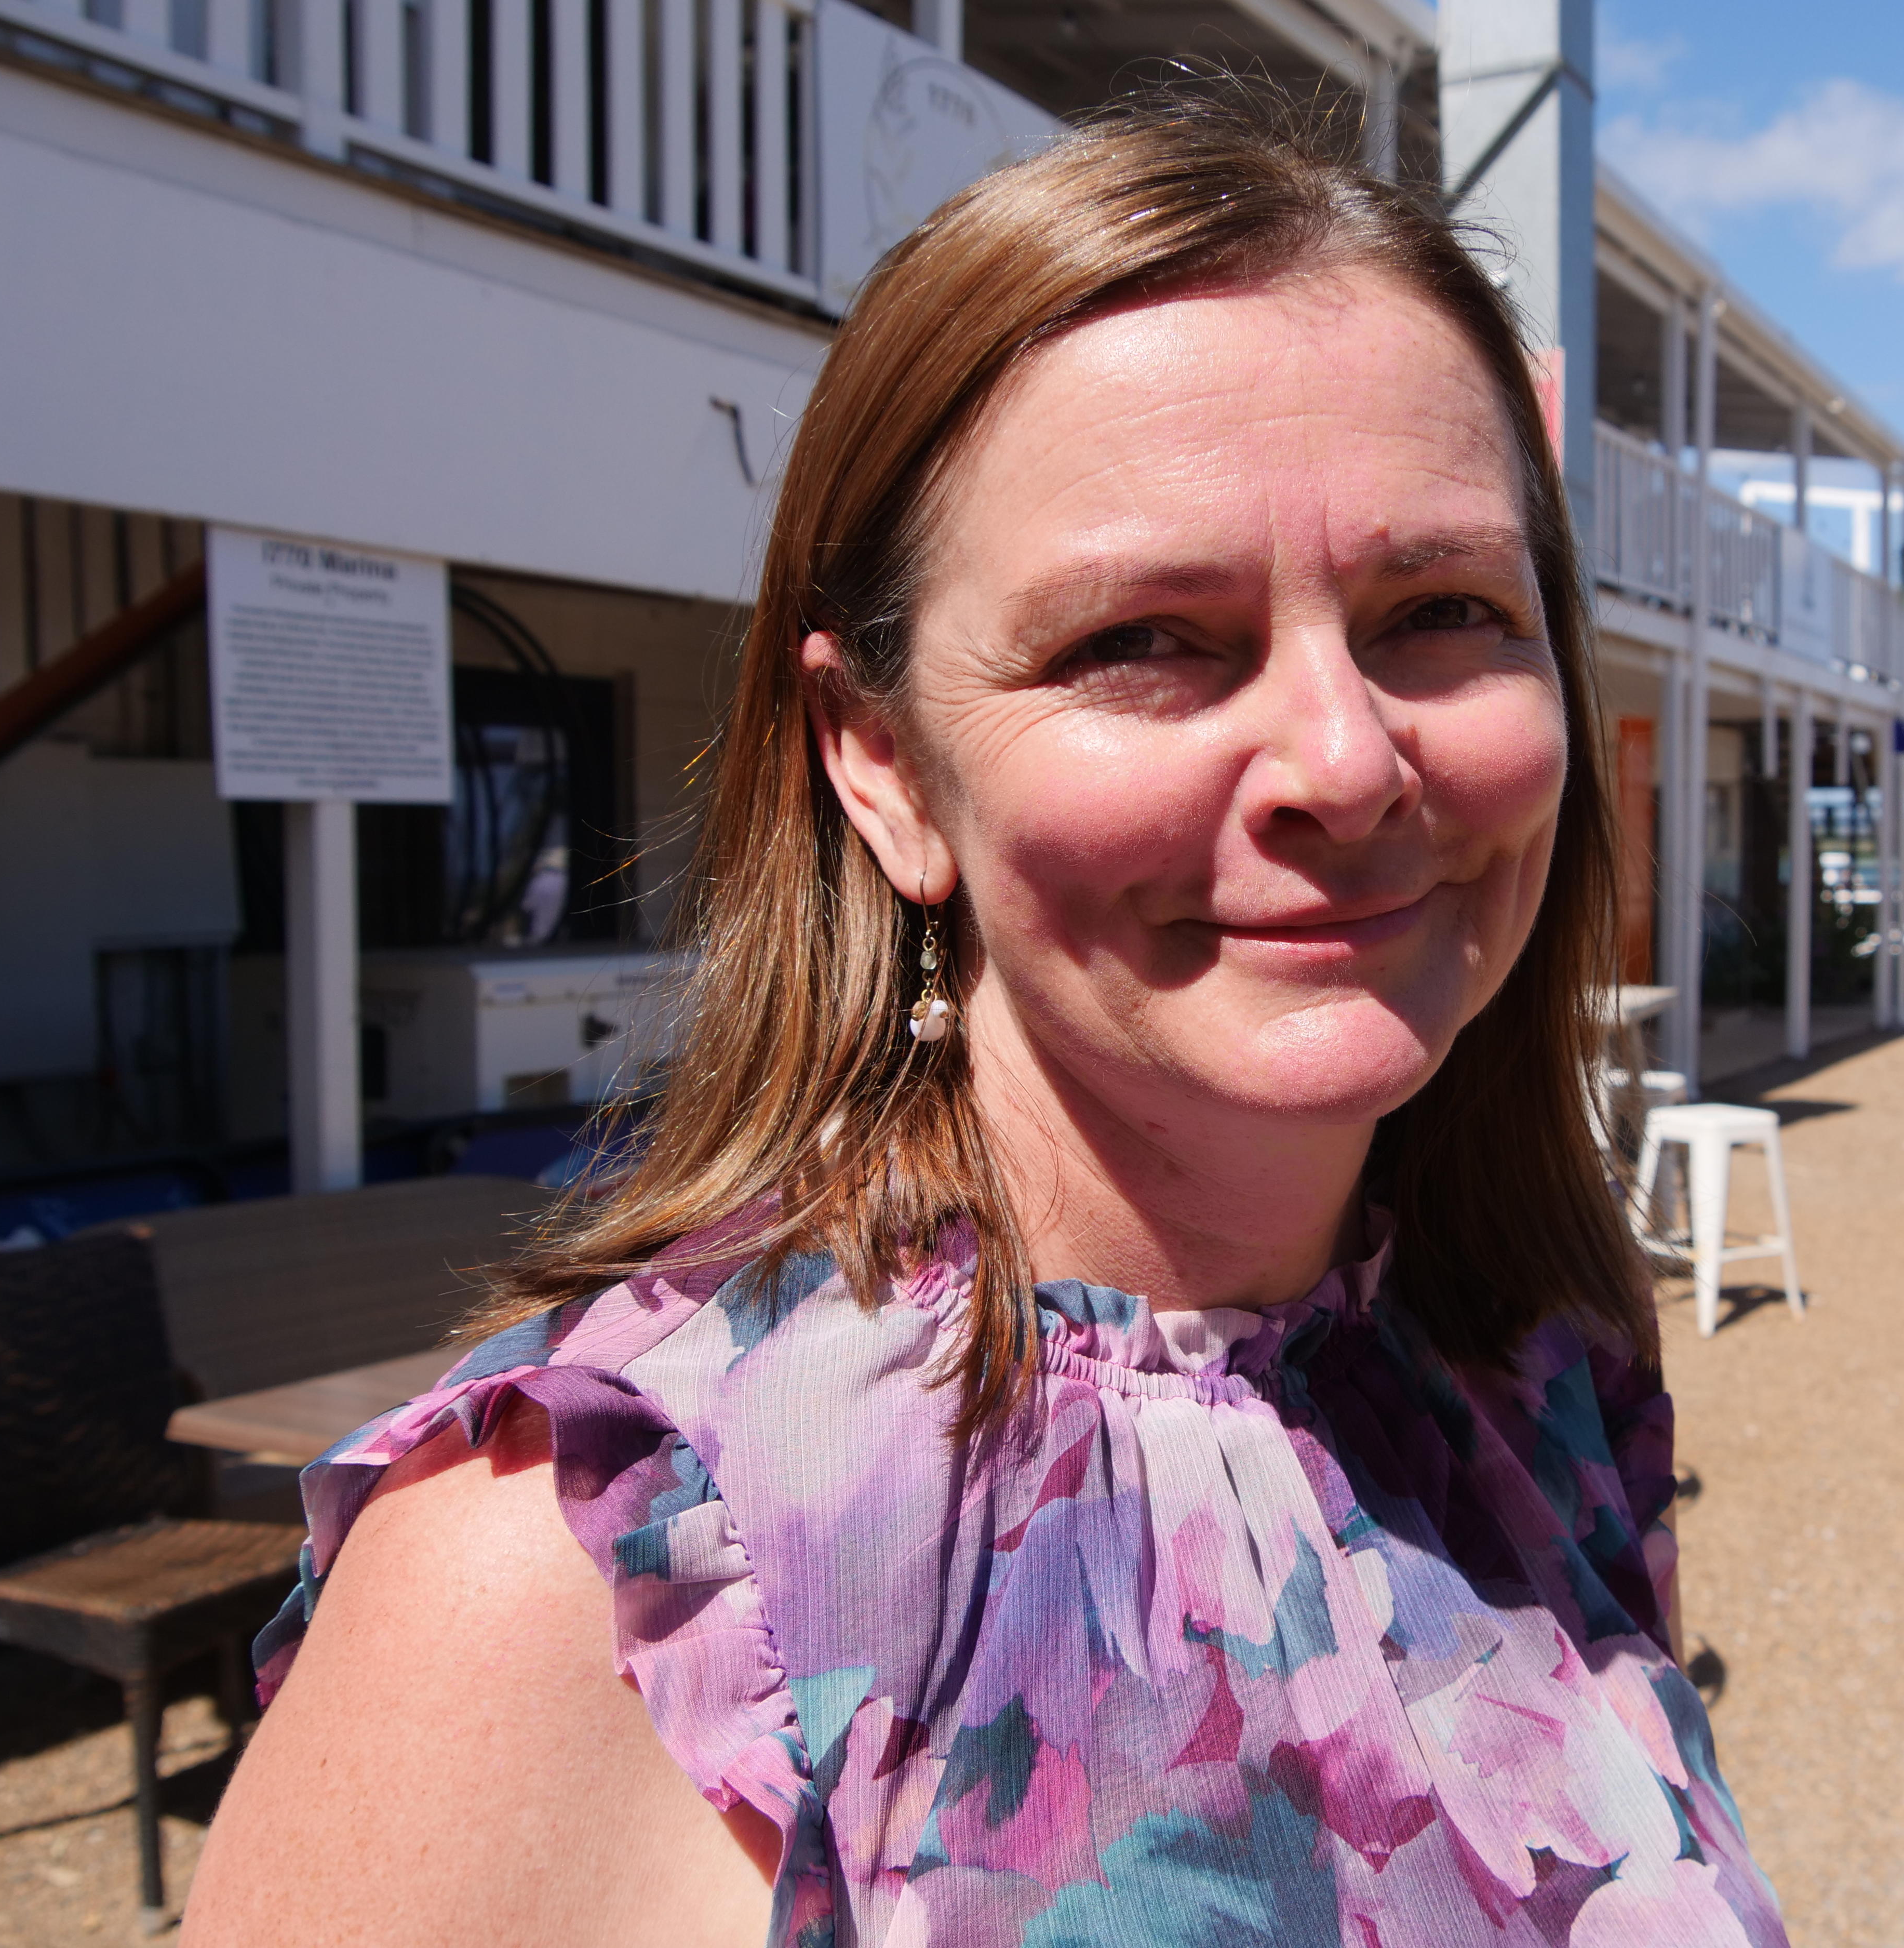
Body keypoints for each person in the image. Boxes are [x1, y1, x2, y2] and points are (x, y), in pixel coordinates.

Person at [184, 101, 1788, 1948]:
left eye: (1439, 608)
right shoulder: (577, 1580)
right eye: (1144, 640)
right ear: (879, 764)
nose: (1346, 760)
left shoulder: (1536, 1370)